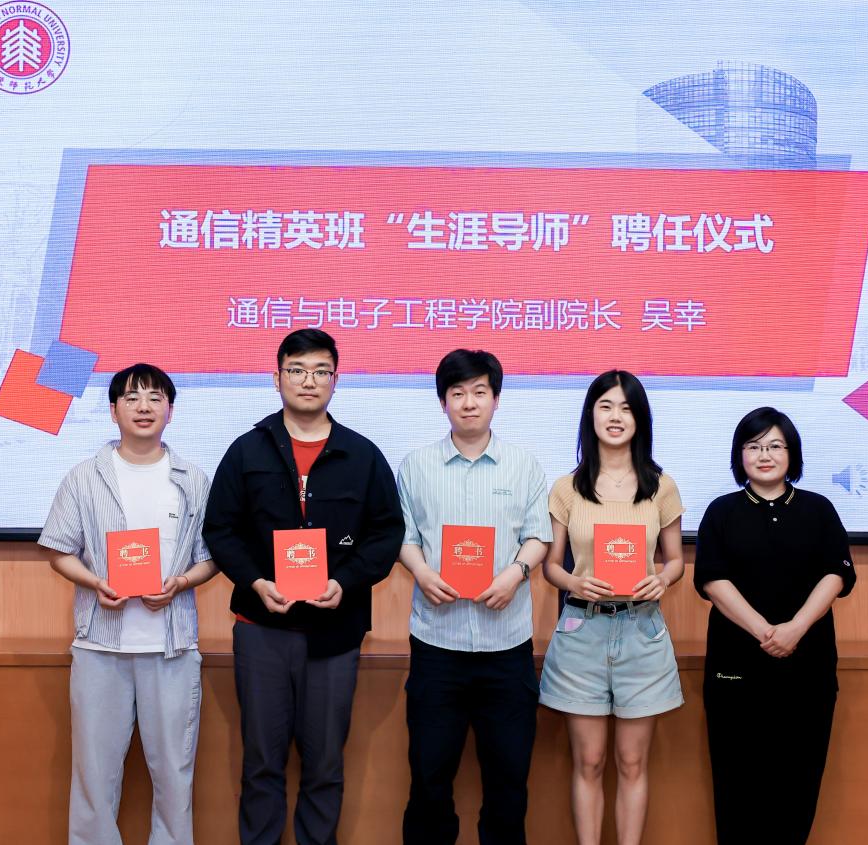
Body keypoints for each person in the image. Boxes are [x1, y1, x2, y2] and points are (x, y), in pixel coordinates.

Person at [202, 328, 405, 845]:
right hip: (261, 627)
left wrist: (345, 581)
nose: (308, 381)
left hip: (335, 631)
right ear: (277, 378)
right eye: (296, 370)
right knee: (261, 761)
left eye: (320, 371)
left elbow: (387, 534)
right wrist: (255, 581)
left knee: (325, 763)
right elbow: (220, 529)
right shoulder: (247, 451)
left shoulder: (362, 455)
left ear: (336, 380)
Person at [39, 363, 219, 845]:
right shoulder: (84, 477)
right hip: (100, 647)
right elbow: (58, 550)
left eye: (155, 398)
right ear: (113, 410)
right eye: (132, 397)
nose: (144, 407)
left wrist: (180, 583)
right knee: (94, 775)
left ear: (170, 411)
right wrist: (95, 582)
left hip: (172, 648)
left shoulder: (193, 479)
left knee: (174, 774)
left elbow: (211, 558)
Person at [395, 349, 552, 845]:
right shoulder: (416, 466)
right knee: (428, 777)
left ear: (496, 400)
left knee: (508, 780)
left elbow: (538, 536)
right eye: (458, 393)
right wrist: (421, 571)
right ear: (443, 401)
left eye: (479, 392)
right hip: (437, 645)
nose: (469, 403)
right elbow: (404, 536)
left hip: (506, 648)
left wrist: (516, 573)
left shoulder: (523, 465)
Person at [693, 407, 857, 845]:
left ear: (791, 454)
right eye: (753, 446)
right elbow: (712, 580)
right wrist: (765, 631)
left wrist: (796, 628)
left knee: (798, 786)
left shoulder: (819, 509)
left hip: (808, 670)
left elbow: (837, 574)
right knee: (736, 787)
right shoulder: (721, 512)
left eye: (774, 446)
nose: (764, 455)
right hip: (736, 672)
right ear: (739, 455)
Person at [538, 370, 685, 845]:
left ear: (640, 417)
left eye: (626, 407)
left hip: (642, 632)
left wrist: (662, 578)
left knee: (632, 762)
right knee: (589, 761)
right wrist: (574, 581)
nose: (615, 416)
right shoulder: (567, 487)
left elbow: (676, 560)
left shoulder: (661, 486)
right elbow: (551, 567)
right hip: (582, 630)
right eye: (605, 406)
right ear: (591, 415)